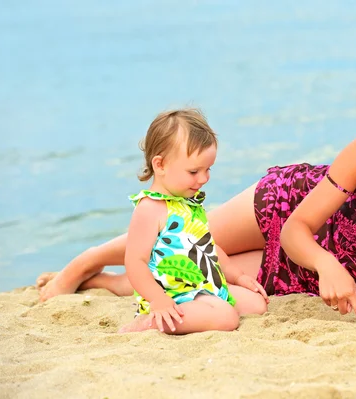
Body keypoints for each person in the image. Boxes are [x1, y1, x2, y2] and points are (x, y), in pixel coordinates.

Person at [37, 83, 356, 325]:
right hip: (287, 209)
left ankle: (100, 283)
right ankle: (85, 262)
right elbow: (298, 228)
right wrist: (329, 265)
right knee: (190, 236)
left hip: (298, 275)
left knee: (195, 276)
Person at [111, 108, 268, 334]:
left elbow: (209, 247)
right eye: (194, 171)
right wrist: (158, 300)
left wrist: (238, 276)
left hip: (206, 287)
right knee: (226, 317)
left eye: (208, 169)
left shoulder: (188, 203)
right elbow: (135, 263)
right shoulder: (149, 209)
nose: (204, 178)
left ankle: (211, 306)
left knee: (256, 305)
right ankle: (148, 323)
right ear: (160, 165)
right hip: (173, 297)